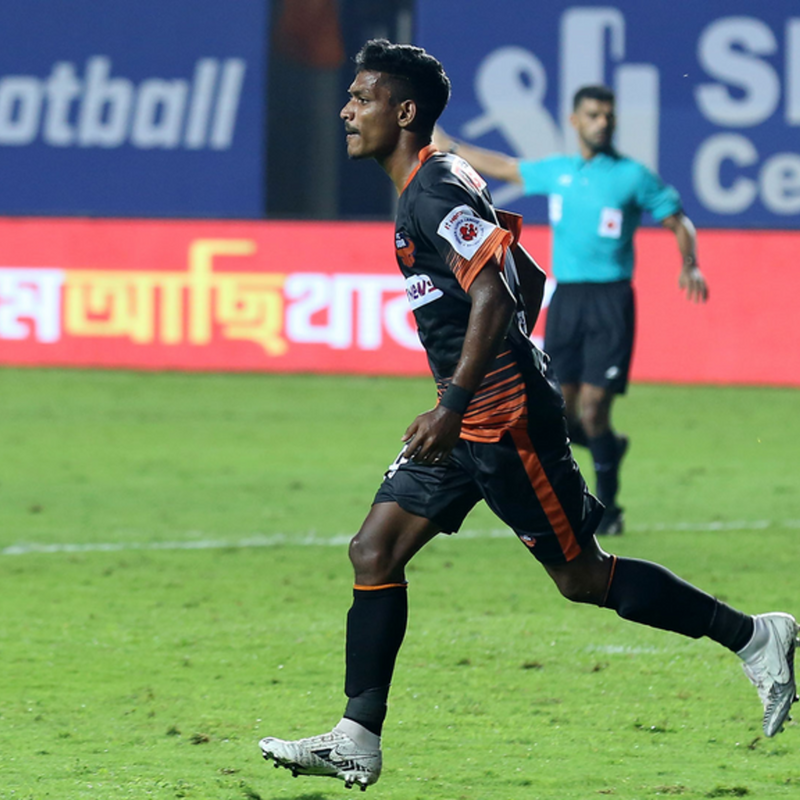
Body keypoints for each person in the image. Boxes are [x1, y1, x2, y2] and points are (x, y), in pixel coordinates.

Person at [259, 39, 796, 792]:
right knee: (373, 551)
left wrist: (460, 400)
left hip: (501, 419)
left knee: (581, 576)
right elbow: (528, 275)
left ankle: (755, 637)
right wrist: (470, 390)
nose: (346, 110)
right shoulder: (440, 179)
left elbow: (498, 291)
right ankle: (357, 738)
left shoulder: (433, 190)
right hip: (467, 416)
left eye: (361, 97)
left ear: (404, 113)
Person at [434, 87, 708, 535]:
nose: (602, 122)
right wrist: (453, 148)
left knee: (595, 409)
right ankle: (608, 448)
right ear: (575, 120)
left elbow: (678, 220)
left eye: (608, 115)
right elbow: (506, 167)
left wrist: (690, 263)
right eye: (593, 114)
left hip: (611, 300)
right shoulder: (558, 171)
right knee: (560, 411)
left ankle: (610, 509)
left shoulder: (633, 176)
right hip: (567, 301)